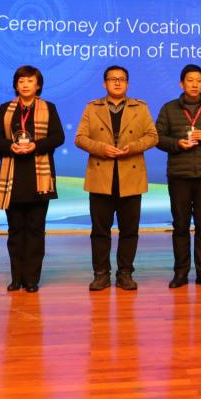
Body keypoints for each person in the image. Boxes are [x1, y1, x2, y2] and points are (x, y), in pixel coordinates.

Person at [76, 65, 158, 291]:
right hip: (101, 176)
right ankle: (101, 274)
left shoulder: (140, 108)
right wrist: (102, 148)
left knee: (129, 230)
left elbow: (153, 136)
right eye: (113, 79)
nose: (118, 82)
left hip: (130, 176)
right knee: (100, 231)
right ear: (105, 83)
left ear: (127, 84)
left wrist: (133, 147)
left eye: (122, 79)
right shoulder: (92, 107)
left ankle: (125, 273)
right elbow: (80, 138)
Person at [0, 65, 65, 292]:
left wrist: (36, 146)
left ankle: (31, 279)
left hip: (39, 178)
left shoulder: (49, 107)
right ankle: (16, 278)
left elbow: (58, 137)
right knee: (15, 231)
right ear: (16, 85)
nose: (25, 85)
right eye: (21, 81)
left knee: (35, 230)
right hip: (12, 177)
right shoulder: (5, 108)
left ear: (38, 85)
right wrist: (10, 146)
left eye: (30, 81)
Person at [155, 64, 201, 288]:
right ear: (181, 83)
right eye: (190, 80)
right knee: (180, 226)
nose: (195, 84)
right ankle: (180, 273)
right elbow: (157, 137)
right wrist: (177, 143)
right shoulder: (169, 108)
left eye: (198, 80)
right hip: (179, 175)